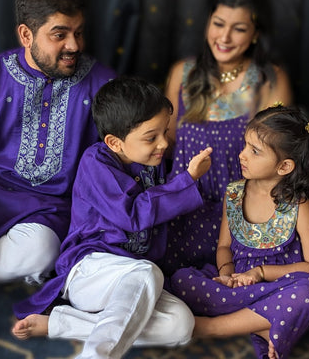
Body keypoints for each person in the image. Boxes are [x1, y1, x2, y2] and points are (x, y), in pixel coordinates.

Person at [12, 76, 213, 359]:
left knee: (181, 324)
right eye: (151, 137)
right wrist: (188, 179)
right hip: (90, 272)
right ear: (114, 143)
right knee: (146, 272)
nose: (164, 143)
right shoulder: (96, 163)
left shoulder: (151, 164)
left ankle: (60, 322)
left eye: (165, 132)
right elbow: (133, 215)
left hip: (131, 283)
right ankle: (96, 355)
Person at [0, 0, 116, 285]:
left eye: (78, 33)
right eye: (59, 35)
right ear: (26, 34)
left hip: (50, 210)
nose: (74, 45)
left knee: (41, 250)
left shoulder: (104, 85)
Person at [169, 105, 309, 359]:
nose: (242, 155)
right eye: (245, 146)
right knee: (180, 280)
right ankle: (266, 325)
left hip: (281, 286)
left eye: (254, 151)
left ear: (284, 167)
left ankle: (212, 327)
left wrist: (260, 273)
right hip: (238, 285)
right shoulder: (234, 193)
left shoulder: (298, 206)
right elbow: (224, 246)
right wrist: (228, 275)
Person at [162, 0, 293, 276]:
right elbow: (165, 145)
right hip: (181, 210)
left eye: (240, 28)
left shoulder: (268, 81)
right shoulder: (183, 73)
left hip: (239, 215)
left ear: (256, 34)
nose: (225, 37)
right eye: (218, 24)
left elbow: (279, 156)